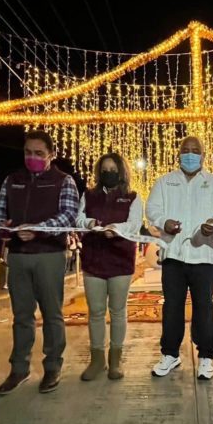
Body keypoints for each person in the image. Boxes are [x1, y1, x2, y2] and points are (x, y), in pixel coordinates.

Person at [0, 130, 79, 395]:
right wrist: (5, 228)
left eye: (39, 153)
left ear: (51, 154)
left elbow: (69, 215)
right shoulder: (13, 180)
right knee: (21, 316)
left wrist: (39, 230)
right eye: (28, 152)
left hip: (49, 254)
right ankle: (19, 369)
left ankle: (52, 366)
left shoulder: (64, 181)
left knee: (52, 314)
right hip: (18, 255)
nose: (33, 157)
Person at [146, 135, 213, 380]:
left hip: (203, 256)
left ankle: (206, 356)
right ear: (178, 154)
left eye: (195, 150)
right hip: (173, 255)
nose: (190, 154)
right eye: (185, 150)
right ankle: (170, 354)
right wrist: (164, 221)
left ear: (203, 156)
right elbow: (152, 208)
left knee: (204, 307)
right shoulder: (165, 182)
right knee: (172, 306)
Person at [76, 153, 142, 381]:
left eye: (113, 170)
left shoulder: (132, 197)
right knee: (95, 311)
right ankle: (97, 360)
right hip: (93, 259)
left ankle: (115, 360)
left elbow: (134, 224)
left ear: (122, 172)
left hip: (120, 259)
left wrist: (117, 229)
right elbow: (78, 219)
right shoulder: (88, 195)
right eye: (104, 170)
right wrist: (90, 223)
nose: (109, 173)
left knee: (117, 310)